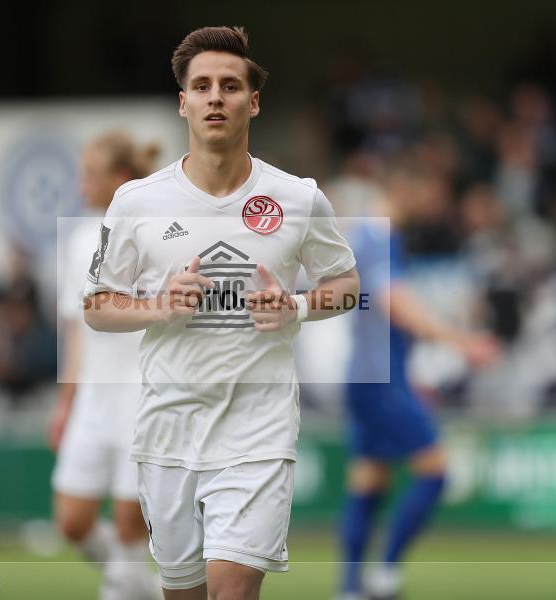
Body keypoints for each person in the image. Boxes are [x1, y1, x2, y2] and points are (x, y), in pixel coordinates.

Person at [83, 26, 359, 600]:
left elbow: (347, 285)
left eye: (229, 86)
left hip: (258, 430)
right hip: (168, 430)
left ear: (251, 102)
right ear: (183, 102)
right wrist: (159, 306)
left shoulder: (298, 197)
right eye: (201, 85)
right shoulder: (136, 201)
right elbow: (97, 307)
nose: (215, 96)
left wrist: (299, 306)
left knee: (230, 593)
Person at [338, 159, 500, 600]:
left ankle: (350, 588)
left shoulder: (367, 235)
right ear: (408, 186)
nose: (436, 201)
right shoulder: (378, 236)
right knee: (435, 471)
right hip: (381, 378)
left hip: (366, 375)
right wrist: (461, 341)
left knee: (369, 479)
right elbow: (396, 304)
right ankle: (384, 575)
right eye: (432, 189)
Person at [49, 132, 161, 600]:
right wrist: (66, 402)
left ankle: (128, 583)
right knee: (71, 522)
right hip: (95, 399)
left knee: (129, 527)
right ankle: (143, 586)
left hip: (142, 399)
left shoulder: (158, 234)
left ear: (119, 180)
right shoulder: (79, 243)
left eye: (89, 176)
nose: (80, 186)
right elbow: (78, 331)